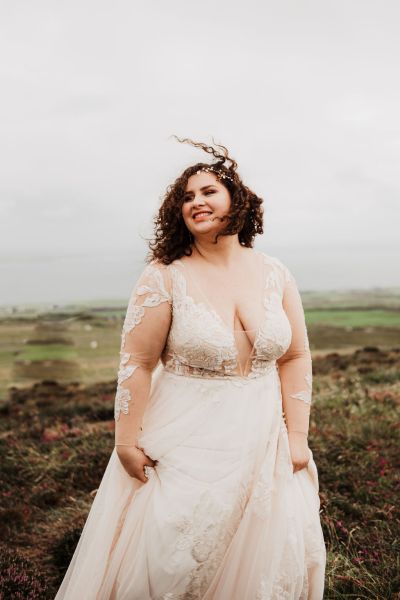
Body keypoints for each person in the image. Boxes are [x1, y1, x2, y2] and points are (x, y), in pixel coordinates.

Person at [55, 137, 326, 599]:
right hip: (184, 442)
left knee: (270, 561)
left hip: (265, 440)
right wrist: (125, 442)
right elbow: (137, 363)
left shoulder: (275, 273)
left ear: (236, 199)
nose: (196, 201)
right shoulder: (165, 275)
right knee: (175, 563)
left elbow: (296, 355)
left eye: (208, 191)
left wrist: (297, 437)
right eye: (186, 196)